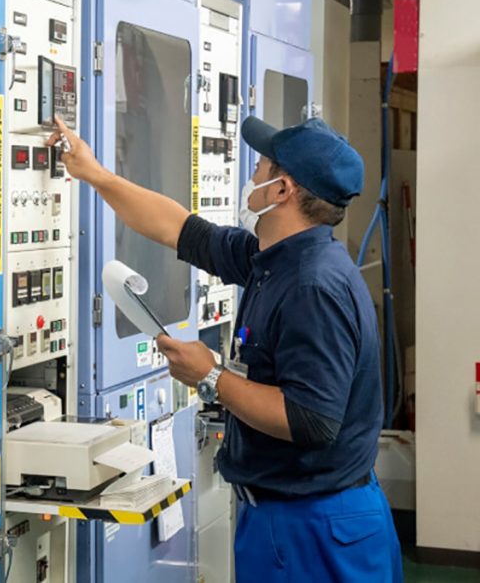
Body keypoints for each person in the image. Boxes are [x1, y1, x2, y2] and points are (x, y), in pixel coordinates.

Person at [47, 115, 402, 582]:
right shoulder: (274, 257)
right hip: (290, 517)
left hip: (314, 528)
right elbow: (179, 229)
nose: (251, 175)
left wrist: (211, 375)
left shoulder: (312, 287)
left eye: (261, 166)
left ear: (282, 190)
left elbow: (312, 419)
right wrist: (95, 174)